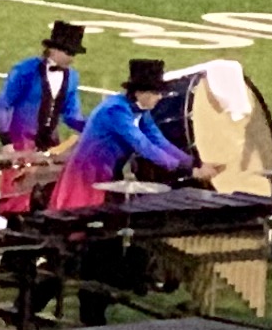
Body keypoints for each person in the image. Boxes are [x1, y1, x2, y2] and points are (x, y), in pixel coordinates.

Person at [51, 54, 195, 213]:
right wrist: (184, 170)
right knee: (82, 222)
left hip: (110, 173)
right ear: (140, 92)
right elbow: (143, 145)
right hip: (88, 174)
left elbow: (159, 141)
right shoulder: (116, 111)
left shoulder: (141, 111)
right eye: (155, 92)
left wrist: (192, 163)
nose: (160, 97)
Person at [0, 18, 90, 216]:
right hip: (21, 143)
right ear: (53, 50)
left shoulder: (72, 77)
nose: (71, 58)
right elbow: (4, 104)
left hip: (50, 143)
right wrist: (6, 141)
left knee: (48, 191)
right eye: (68, 52)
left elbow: (71, 115)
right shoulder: (25, 71)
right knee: (16, 197)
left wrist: (93, 127)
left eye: (73, 54)